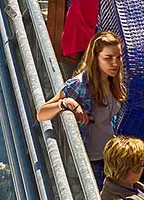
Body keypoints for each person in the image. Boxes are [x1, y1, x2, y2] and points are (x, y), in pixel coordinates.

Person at [38, 29, 127, 159]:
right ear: (95, 58)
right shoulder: (79, 84)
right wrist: (66, 103)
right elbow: (41, 114)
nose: (115, 63)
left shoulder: (114, 82)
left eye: (118, 57)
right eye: (108, 58)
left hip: (109, 158)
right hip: (88, 159)